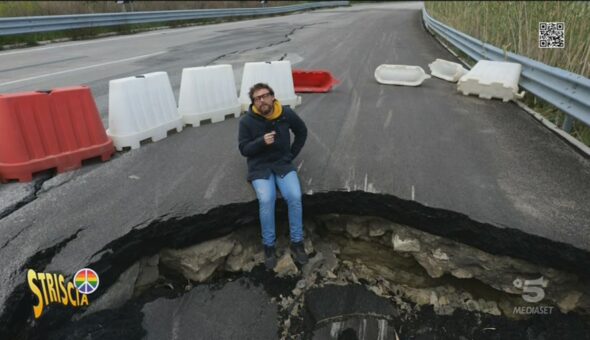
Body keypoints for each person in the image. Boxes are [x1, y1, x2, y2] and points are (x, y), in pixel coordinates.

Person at [238, 83, 308, 270]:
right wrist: (261, 142)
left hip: (282, 163)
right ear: (253, 102)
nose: (262, 100)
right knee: (267, 199)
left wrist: (291, 154)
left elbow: (302, 132)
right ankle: (269, 246)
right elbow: (244, 149)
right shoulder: (247, 121)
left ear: (272, 97)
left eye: (265, 96)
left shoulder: (285, 114)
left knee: (294, 196)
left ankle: (297, 242)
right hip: (260, 167)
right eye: (257, 98)